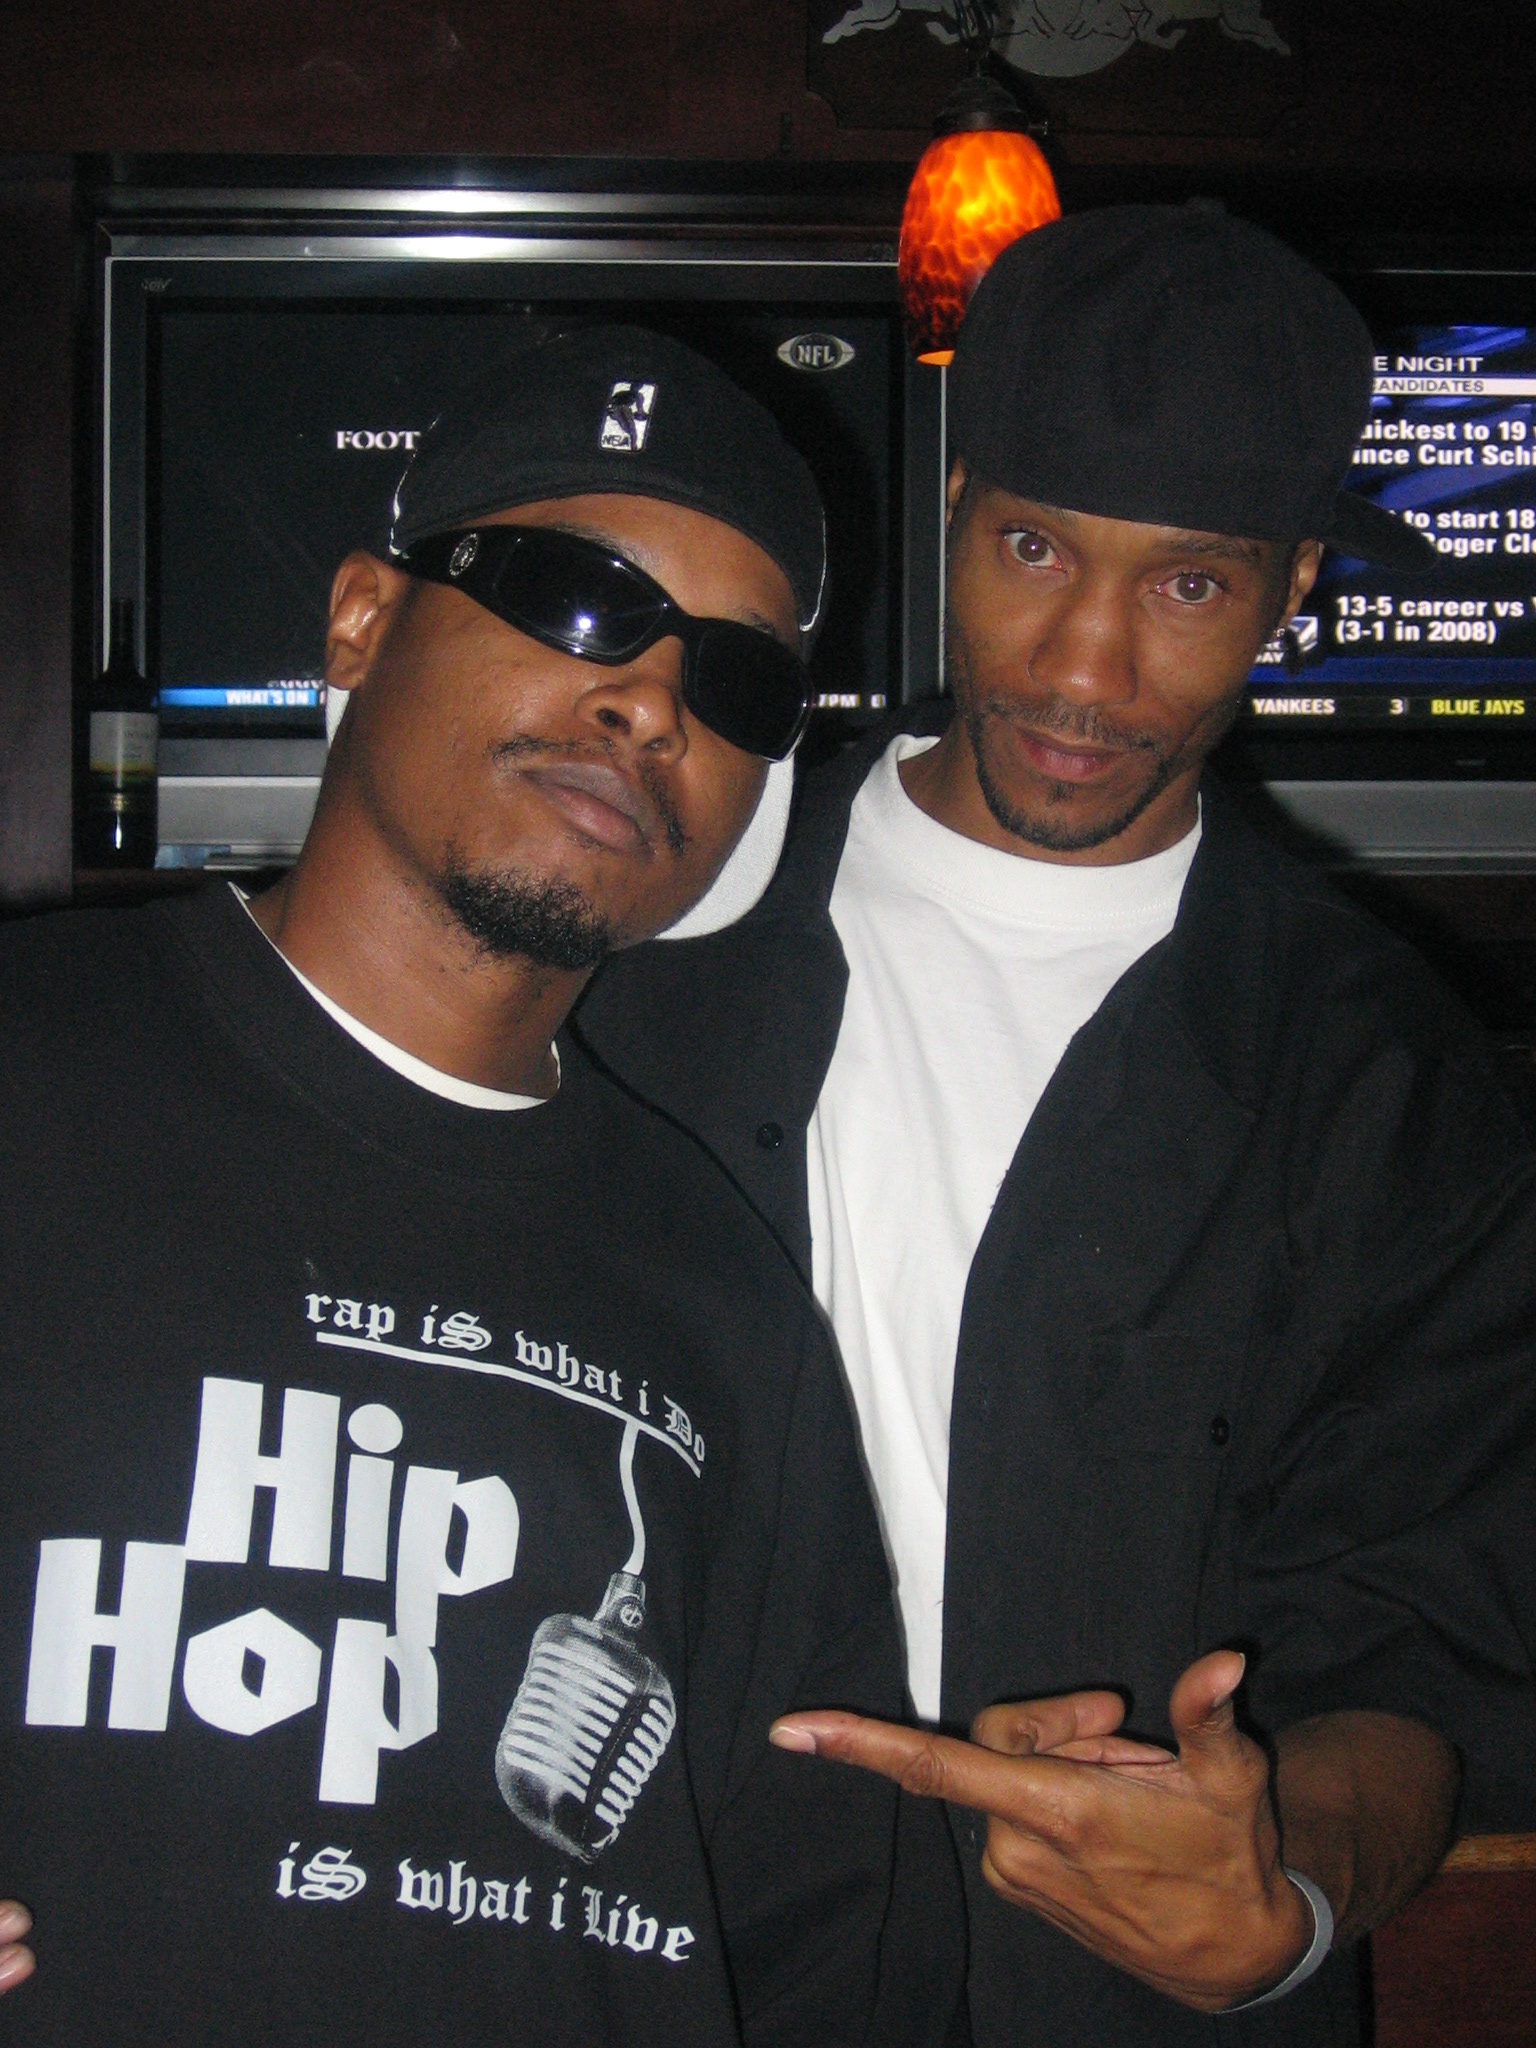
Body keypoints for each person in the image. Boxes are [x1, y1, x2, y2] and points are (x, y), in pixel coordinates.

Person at [578, 206, 1536, 2045]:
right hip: (654, 1964)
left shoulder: (1383, 1076)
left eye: (1189, 587)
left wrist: (1283, 1903)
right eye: (1034, 549)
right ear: (952, 513)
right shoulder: (661, 913)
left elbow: (1441, 1637)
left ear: (1293, 594)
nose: (1087, 668)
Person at [0, 326, 966, 2046]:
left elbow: (828, 1933)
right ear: (362, 622)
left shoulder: (726, 1294)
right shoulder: (30, 1064)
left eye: (739, 681)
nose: (651, 701)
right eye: (575, 599)